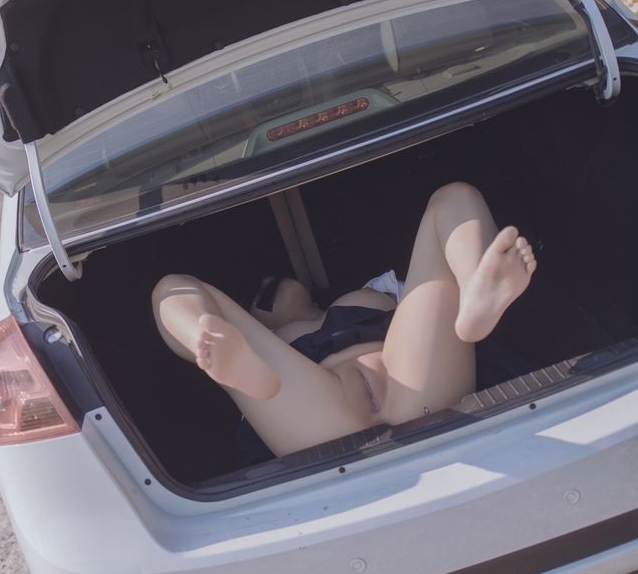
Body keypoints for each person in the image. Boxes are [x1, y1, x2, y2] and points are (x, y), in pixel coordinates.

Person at [152, 182, 537, 457]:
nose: (269, 288)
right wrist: (218, 335)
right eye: (259, 298)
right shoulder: (264, 345)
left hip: (415, 382)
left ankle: (475, 295)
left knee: (453, 196)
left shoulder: (380, 288)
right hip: (316, 417)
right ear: (258, 324)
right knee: (173, 287)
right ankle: (204, 336)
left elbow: (426, 289)